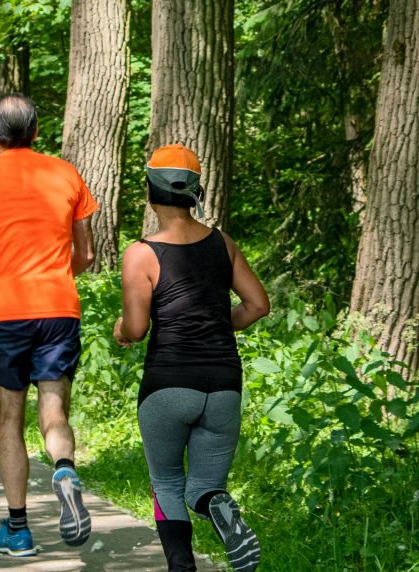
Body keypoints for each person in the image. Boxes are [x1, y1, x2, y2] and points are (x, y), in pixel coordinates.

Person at [0, 93, 97, 557]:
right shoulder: (66, 173)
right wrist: (57, 279)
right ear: (36, 132)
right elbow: (85, 254)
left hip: (5, 315)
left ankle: (19, 529)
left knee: (9, 420)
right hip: (58, 311)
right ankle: (64, 468)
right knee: (55, 409)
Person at [113, 144, 269, 572]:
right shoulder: (222, 242)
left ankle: (182, 568)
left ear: (150, 192)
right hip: (223, 384)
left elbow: (137, 327)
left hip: (168, 384)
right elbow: (257, 306)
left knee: (166, 483)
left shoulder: (140, 253)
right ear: (194, 191)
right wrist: (218, 323)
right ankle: (219, 506)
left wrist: (120, 331)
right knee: (203, 487)